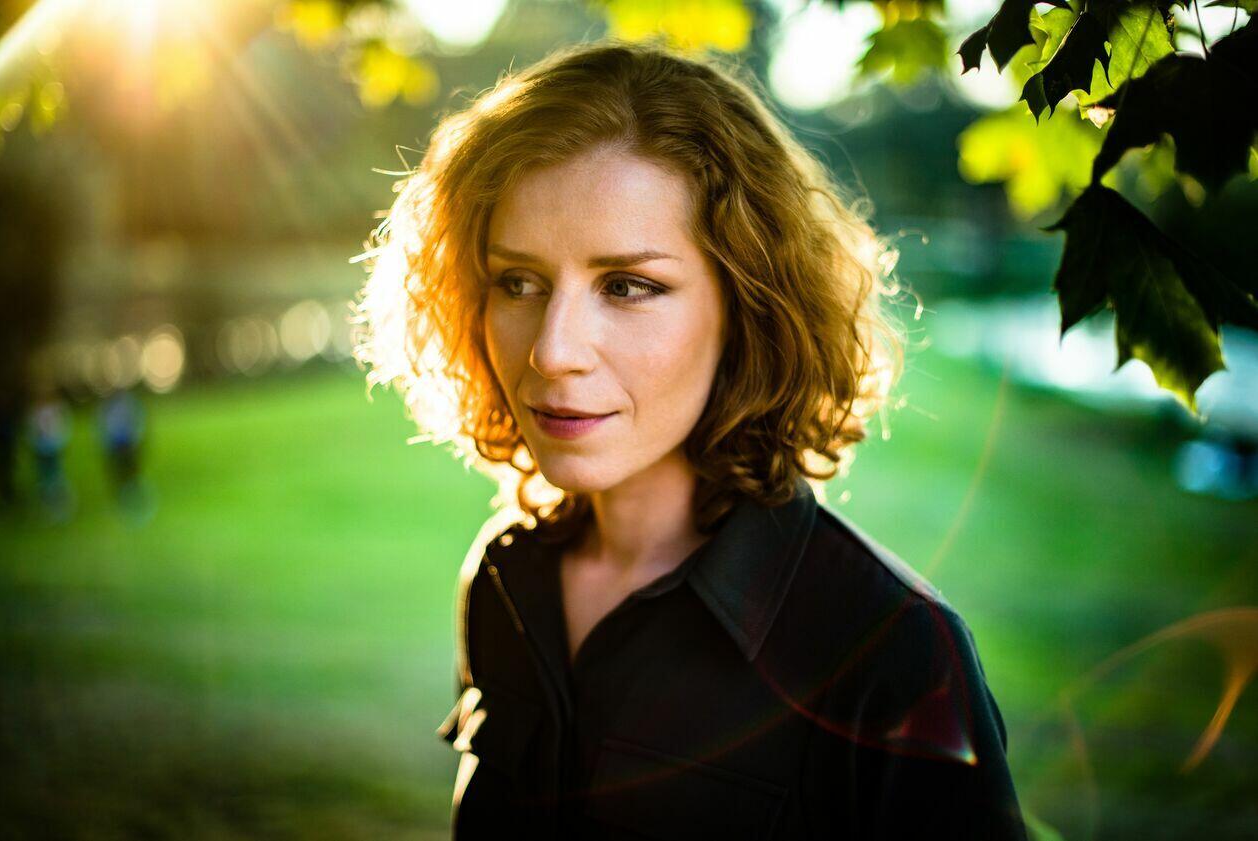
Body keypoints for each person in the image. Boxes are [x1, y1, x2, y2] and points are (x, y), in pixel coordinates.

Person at [353, 39, 1028, 840]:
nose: (552, 351)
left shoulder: (891, 654)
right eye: (519, 282)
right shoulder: (506, 577)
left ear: (747, 306)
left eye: (627, 285)